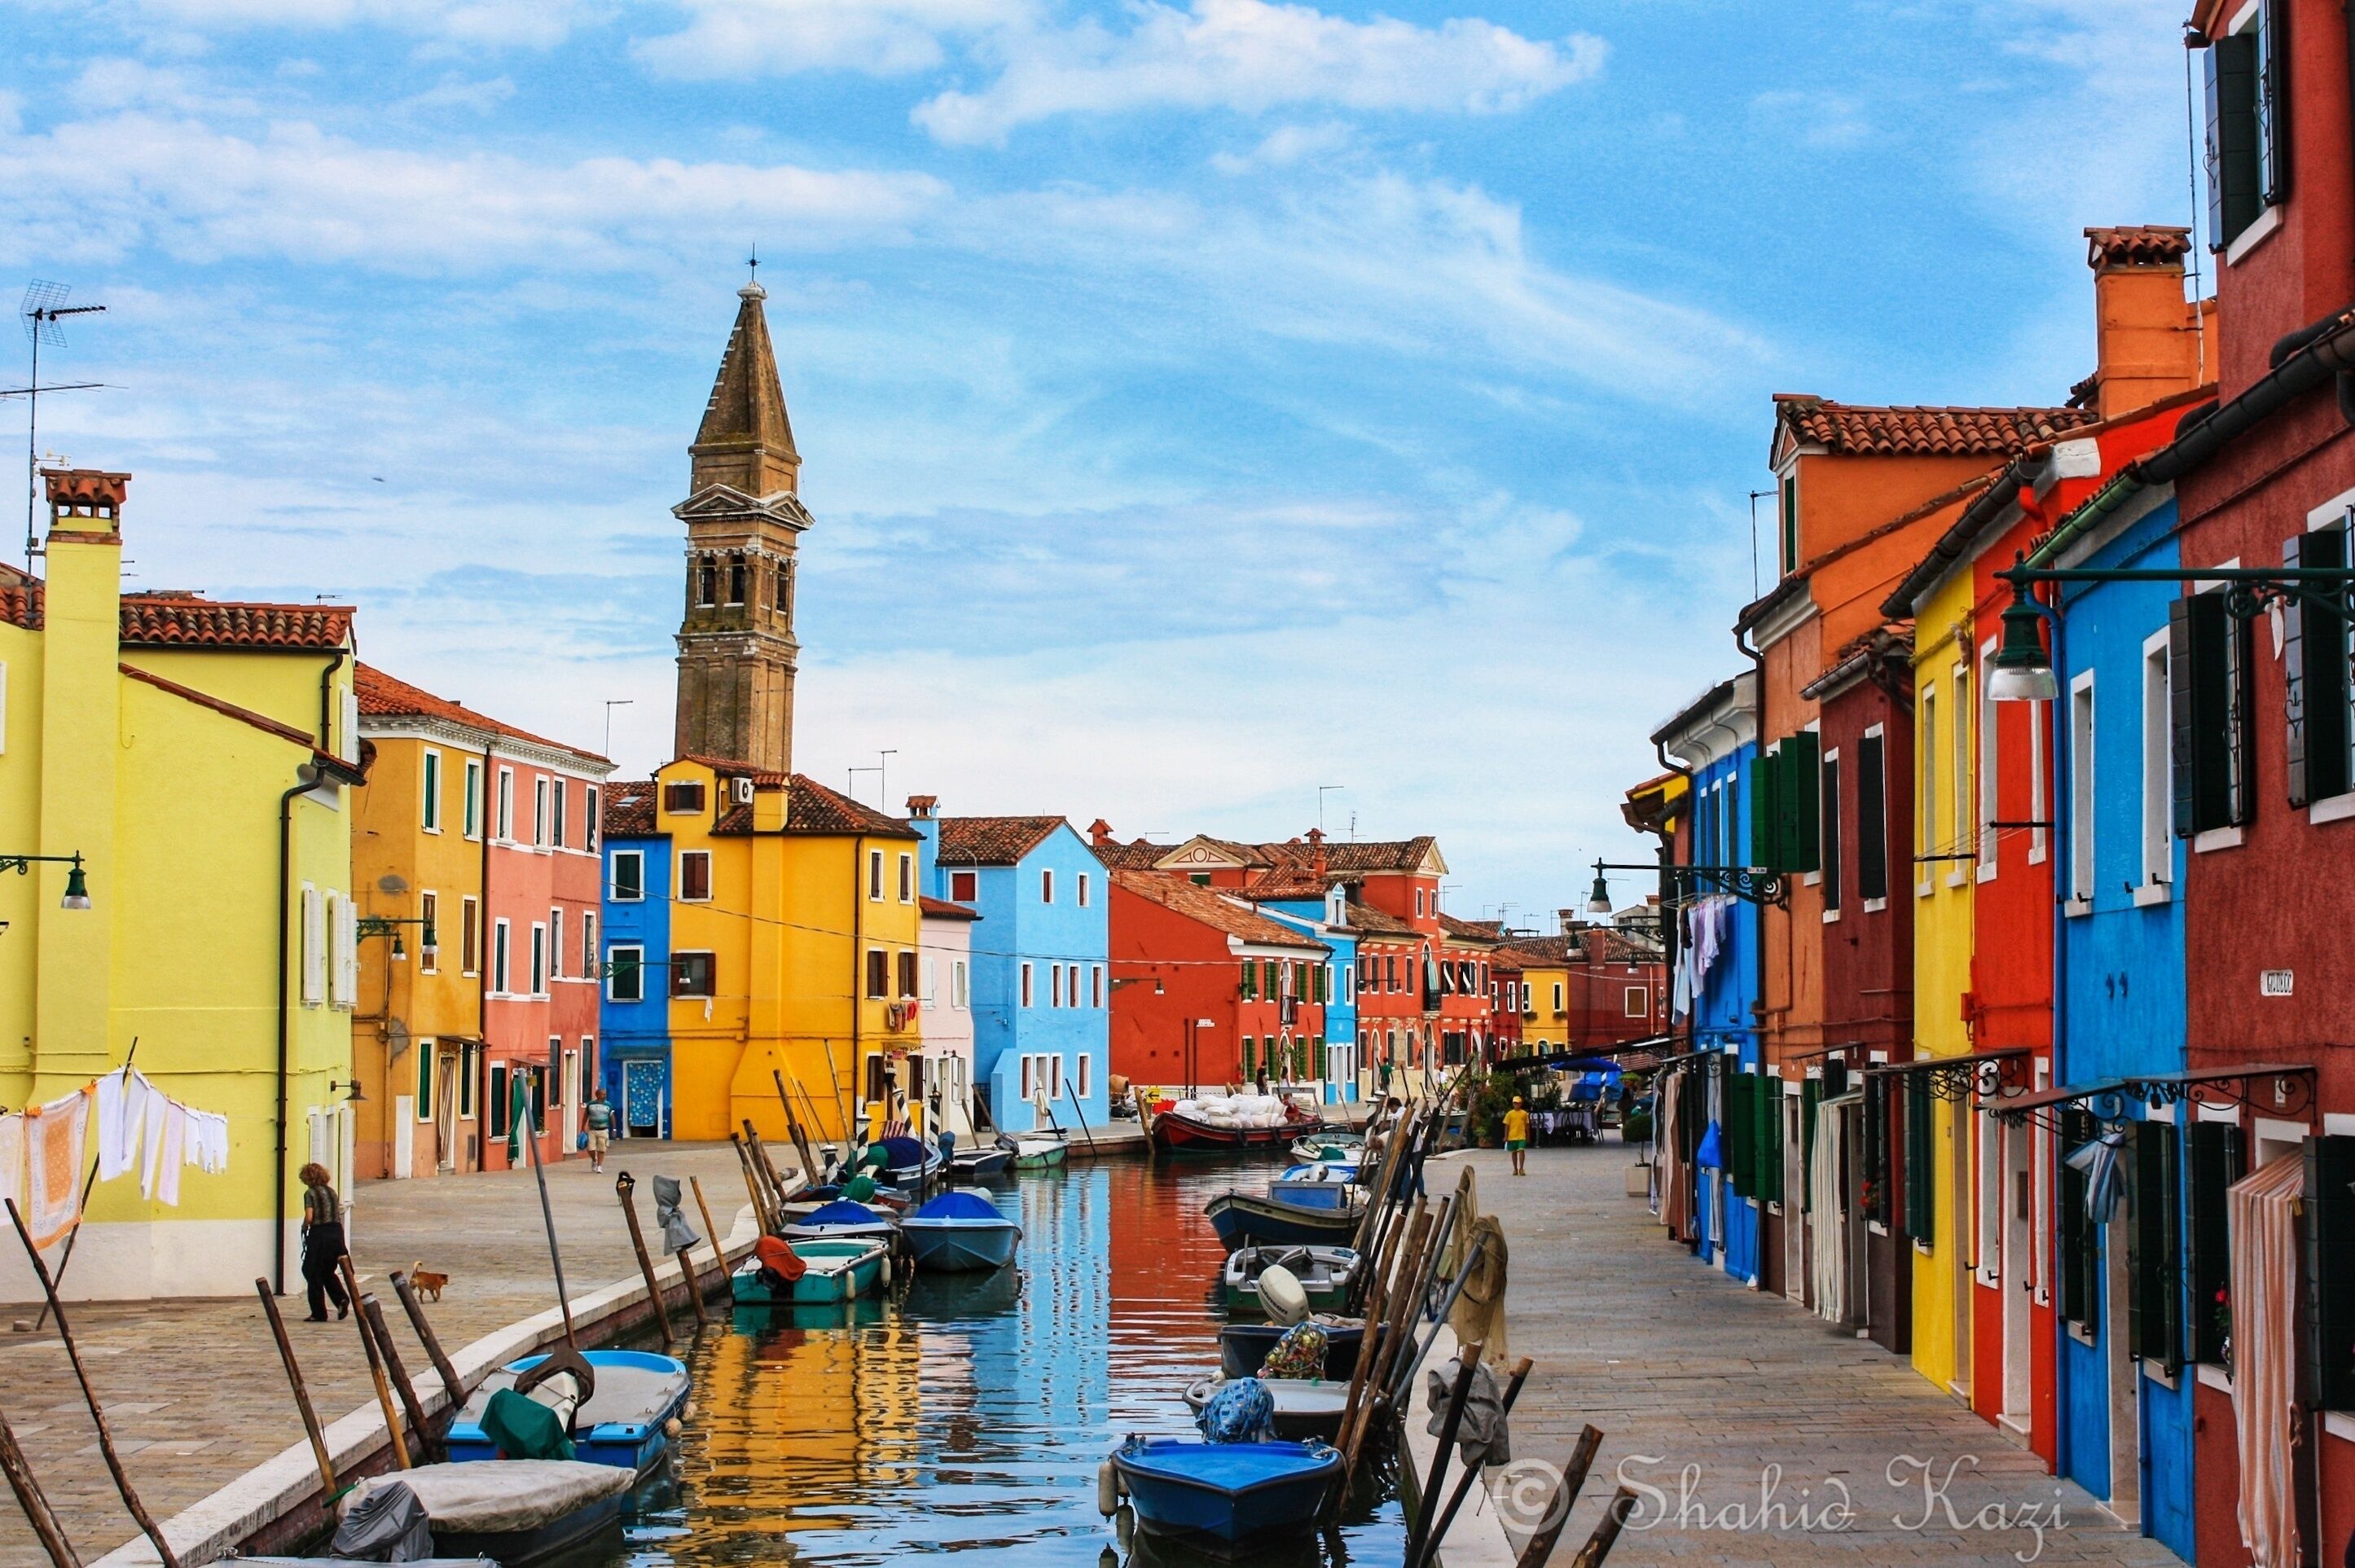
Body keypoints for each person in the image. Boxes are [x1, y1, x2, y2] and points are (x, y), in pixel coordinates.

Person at [299, 1162, 349, 1321]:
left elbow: (309, 1217)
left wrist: (304, 1226)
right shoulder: (331, 1192)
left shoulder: (310, 1193)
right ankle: (341, 1299)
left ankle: (319, 1313)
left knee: (311, 1271)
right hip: (336, 1233)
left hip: (320, 1234)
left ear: (309, 1178)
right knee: (328, 1270)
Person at [583, 1088, 614, 1173]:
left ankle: (599, 1166)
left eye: (605, 1094)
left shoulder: (608, 1105)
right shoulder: (591, 1104)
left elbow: (612, 1116)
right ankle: (594, 1160)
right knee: (590, 1149)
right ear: (597, 1095)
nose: (604, 1096)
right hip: (592, 1130)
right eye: (602, 1094)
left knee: (601, 1149)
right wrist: (583, 1127)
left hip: (603, 1130)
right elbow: (586, 1116)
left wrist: (614, 1129)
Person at [1504, 1095, 1531, 1176]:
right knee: (1514, 1152)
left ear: (1521, 1104)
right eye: (1515, 1103)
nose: (1516, 1105)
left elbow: (1527, 1125)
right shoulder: (1509, 1114)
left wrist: (1528, 1135)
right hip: (1512, 1136)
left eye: (1518, 1103)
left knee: (1521, 1150)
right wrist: (1506, 1136)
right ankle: (1515, 1169)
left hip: (1521, 1135)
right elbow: (1507, 1125)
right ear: (1513, 1104)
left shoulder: (1524, 1114)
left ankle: (1521, 1168)